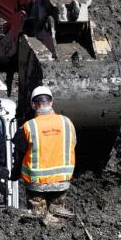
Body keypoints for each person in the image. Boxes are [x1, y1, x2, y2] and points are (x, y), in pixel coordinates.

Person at [12, 86, 76, 220]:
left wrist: (15, 173)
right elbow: (73, 144)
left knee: (36, 217)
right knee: (57, 214)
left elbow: (19, 152)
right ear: (51, 102)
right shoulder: (67, 122)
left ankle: (38, 221)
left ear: (33, 105)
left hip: (36, 183)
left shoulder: (28, 126)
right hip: (61, 181)